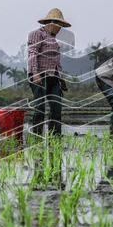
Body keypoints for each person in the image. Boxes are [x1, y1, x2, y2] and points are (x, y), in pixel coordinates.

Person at [27, 8, 70, 137]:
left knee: (56, 108)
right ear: (50, 23)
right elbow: (32, 53)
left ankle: (55, 135)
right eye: (58, 25)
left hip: (53, 77)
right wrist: (35, 73)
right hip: (39, 76)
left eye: (61, 26)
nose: (59, 28)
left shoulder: (53, 39)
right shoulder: (37, 34)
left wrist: (61, 79)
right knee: (40, 107)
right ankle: (37, 135)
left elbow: (56, 61)